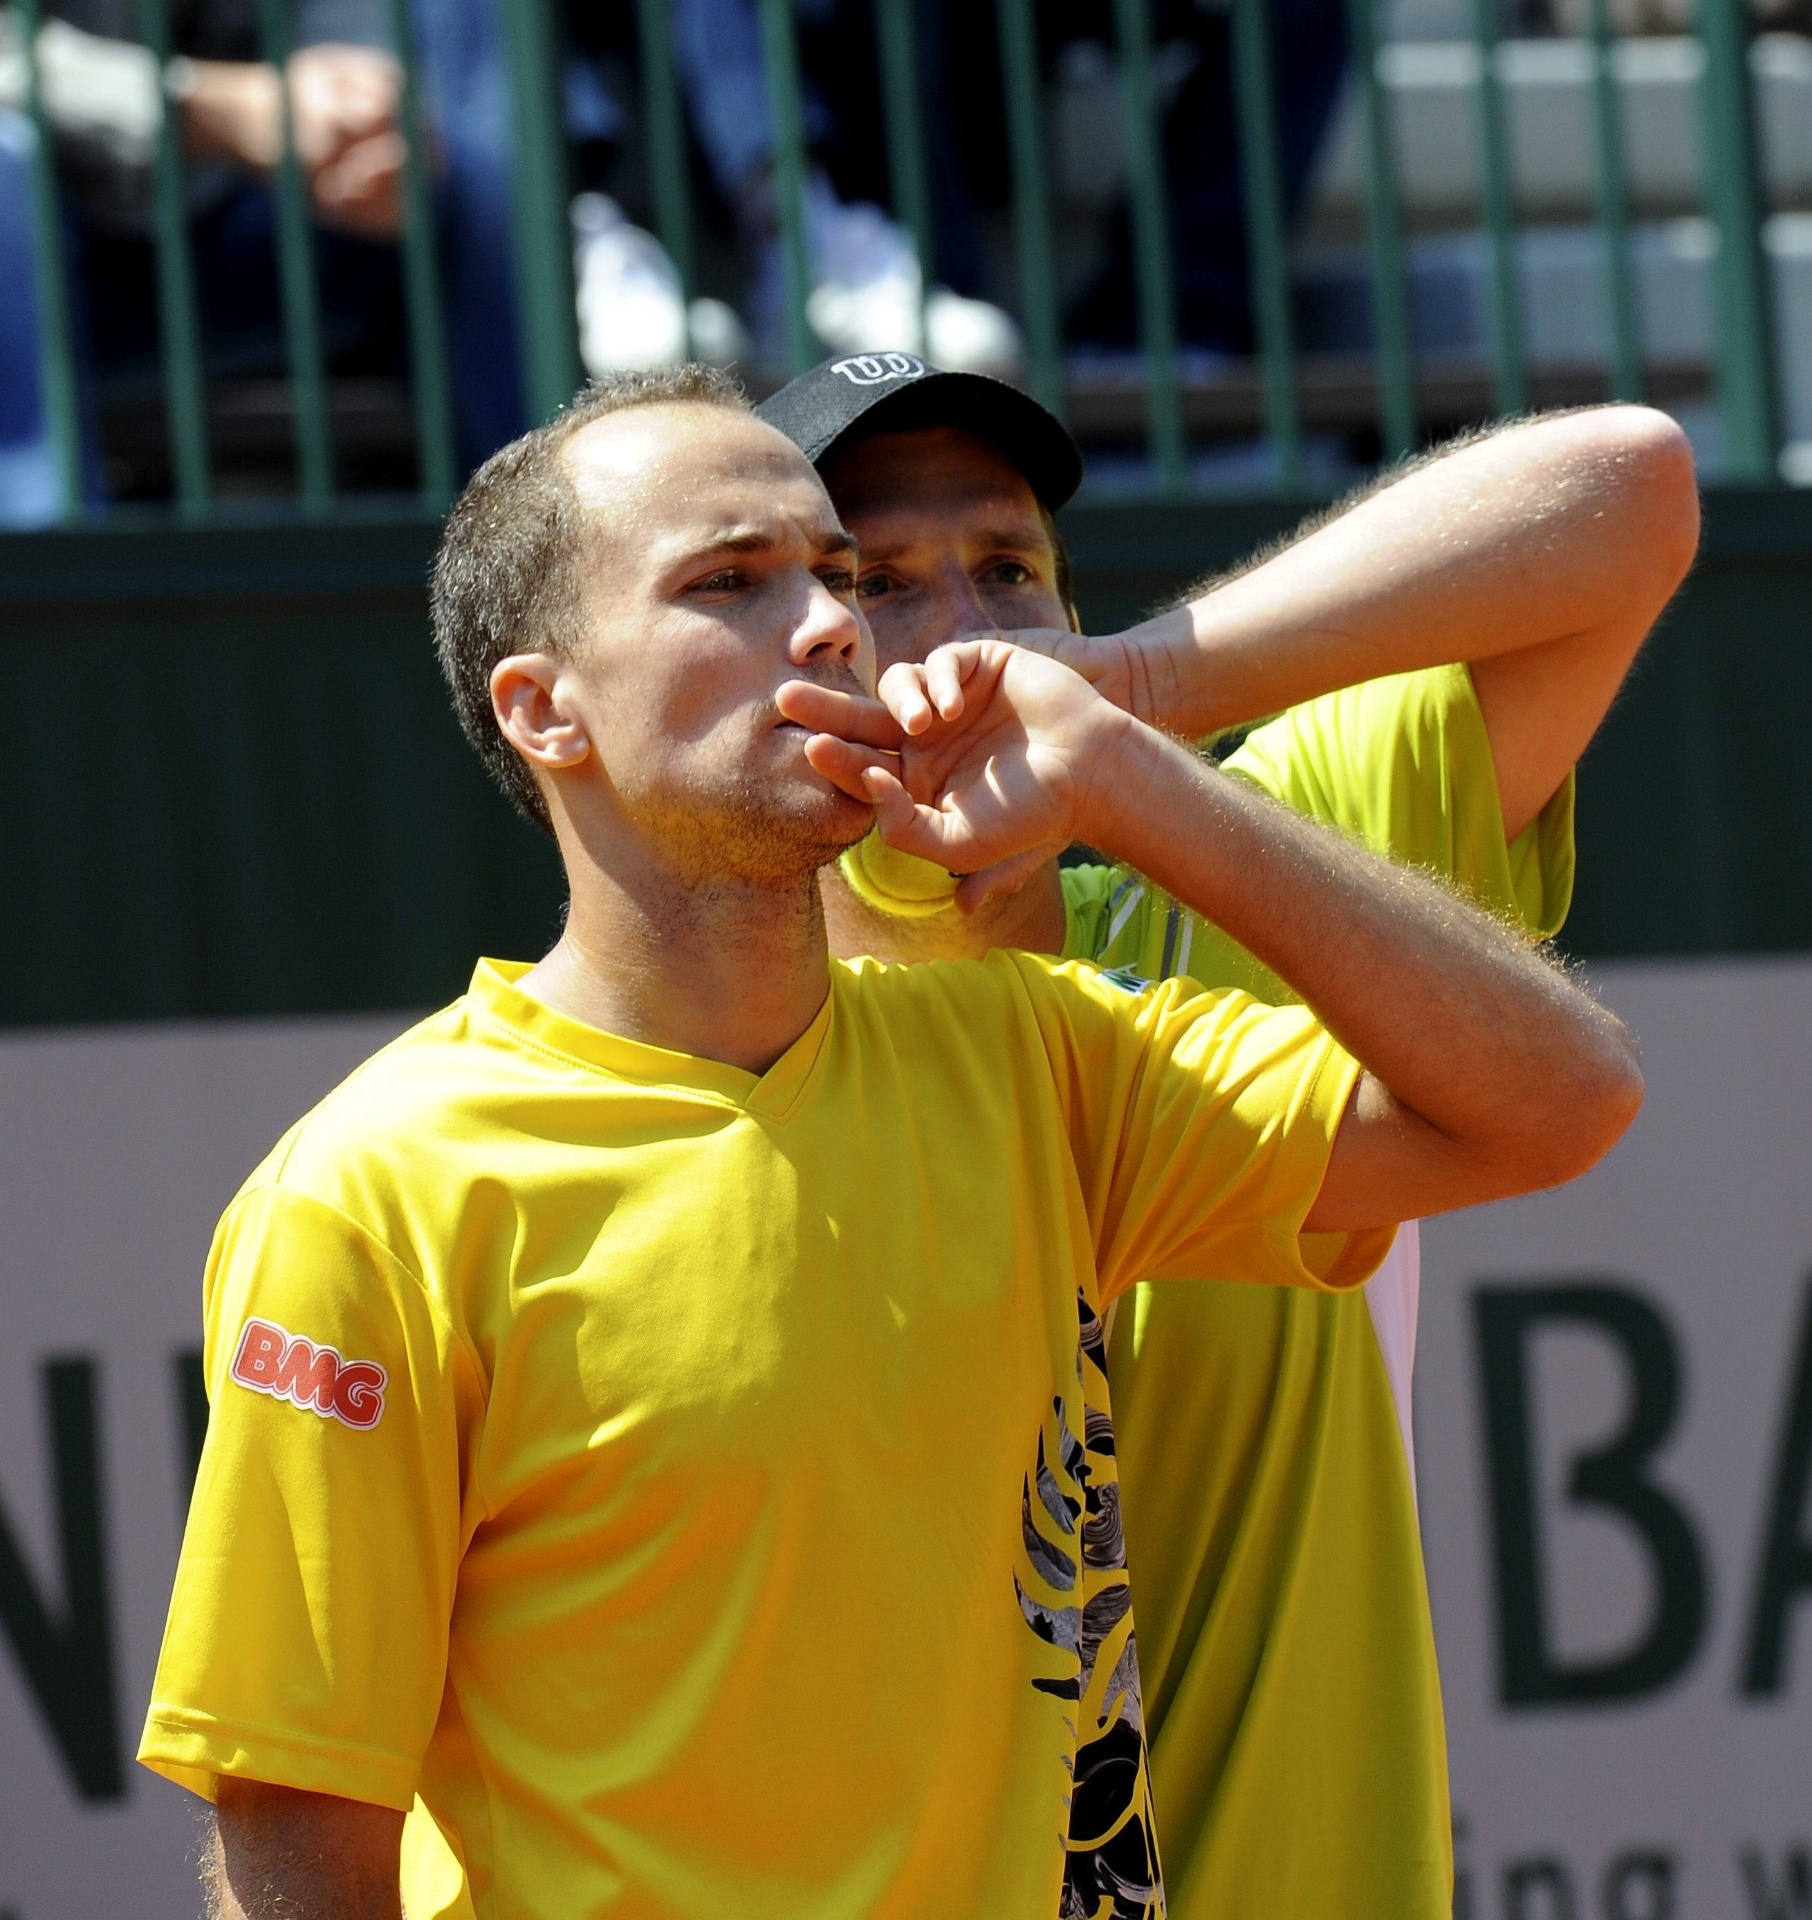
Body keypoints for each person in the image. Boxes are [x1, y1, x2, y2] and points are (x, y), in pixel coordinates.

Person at [138, 365, 1642, 1919]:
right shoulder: (374, 1188)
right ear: (544, 706)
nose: (836, 625)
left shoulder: (1038, 1052)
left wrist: (1128, 752)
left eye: (833, 575)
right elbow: (300, 1827)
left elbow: (1564, 1098)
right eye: (734, 581)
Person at [755, 352, 1699, 1917]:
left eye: (1010, 571)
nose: (967, 631)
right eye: (882, 582)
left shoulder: (1266, 862)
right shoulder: (723, 1043)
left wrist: (1134, 698)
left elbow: (1633, 485)